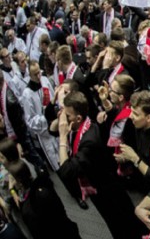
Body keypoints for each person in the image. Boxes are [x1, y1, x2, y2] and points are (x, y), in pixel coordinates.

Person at [57, 90, 145, 239]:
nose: (64, 120)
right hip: (100, 185)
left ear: (78, 118)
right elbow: (51, 129)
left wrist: (62, 139)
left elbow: (66, 171)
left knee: (121, 224)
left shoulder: (89, 140)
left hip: (106, 190)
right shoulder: (83, 125)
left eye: (67, 116)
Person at [7, 159, 80, 239]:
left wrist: (12, 190)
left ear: (19, 182)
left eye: (12, 179)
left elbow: (37, 233)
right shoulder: (43, 183)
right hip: (68, 229)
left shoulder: (28, 208)